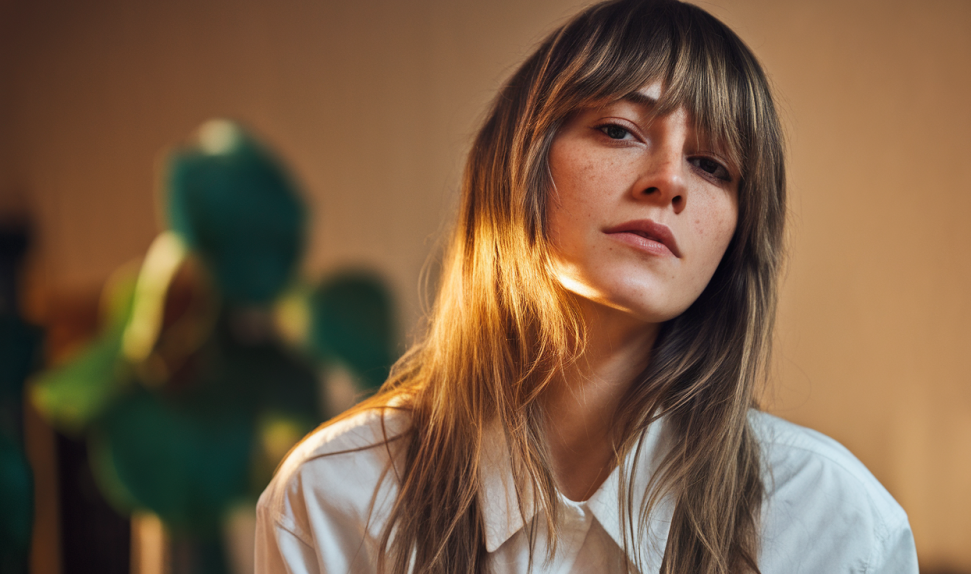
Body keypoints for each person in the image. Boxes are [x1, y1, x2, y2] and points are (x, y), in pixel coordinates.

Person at [255, 1, 918, 572]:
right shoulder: (331, 497)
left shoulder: (838, 526)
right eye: (619, 130)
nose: (669, 181)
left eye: (713, 165)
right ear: (519, 162)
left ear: (739, 236)